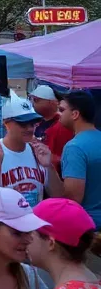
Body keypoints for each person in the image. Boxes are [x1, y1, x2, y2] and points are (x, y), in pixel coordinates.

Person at [0, 96, 62, 206]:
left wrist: (49, 166)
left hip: (33, 220)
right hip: (5, 222)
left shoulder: (38, 152)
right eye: (23, 124)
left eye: (32, 123)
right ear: (6, 123)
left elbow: (58, 195)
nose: (30, 129)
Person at [60, 91, 101, 227]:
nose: (58, 114)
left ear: (75, 114)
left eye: (62, 110)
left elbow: (73, 198)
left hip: (89, 227)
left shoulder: (74, 147)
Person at [29, 85, 74, 168]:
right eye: (31, 99)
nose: (33, 103)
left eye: (36, 100)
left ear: (51, 102)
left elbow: (63, 158)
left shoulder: (63, 126)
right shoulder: (36, 122)